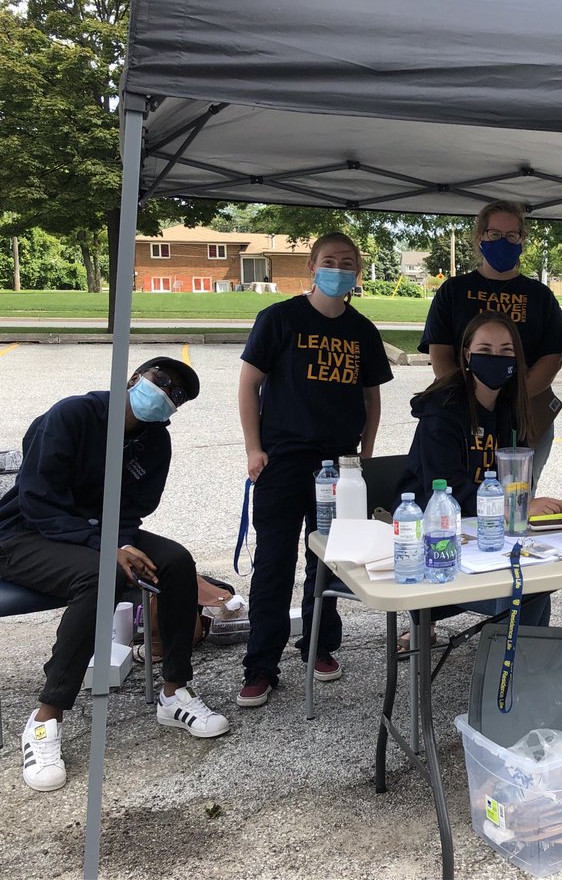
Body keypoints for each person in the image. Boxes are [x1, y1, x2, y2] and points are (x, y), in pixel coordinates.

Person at [0, 357, 229, 792]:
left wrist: (120, 542)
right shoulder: (73, 415)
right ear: (134, 378)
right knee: (98, 575)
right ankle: (46, 717)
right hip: (26, 534)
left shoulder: (155, 442)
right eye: (160, 381)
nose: (165, 394)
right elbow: (37, 501)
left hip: (104, 535)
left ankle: (174, 692)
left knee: (177, 562)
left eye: (176, 395)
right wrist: (109, 547)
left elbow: (135, 508)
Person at [236, 232, 393, 708]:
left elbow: (372, 398)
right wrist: (253, 450)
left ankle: (319, 647)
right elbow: (248, 386)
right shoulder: (279, 319)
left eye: (348, 262)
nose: (338, 268)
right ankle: (261, 665)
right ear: (311, 266)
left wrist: (364, 453)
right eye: (329, 260)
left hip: (338, 467)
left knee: (329, 561)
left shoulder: (362, 330)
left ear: (357, 271)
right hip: (283, 461)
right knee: (274, 565)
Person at [395, 310, 562, 632]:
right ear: (467, 355)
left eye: (506, 351)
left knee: (537, 583)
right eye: (485, 351)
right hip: (435, 546)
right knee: (524, 590)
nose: (496, 358)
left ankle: (520, 668)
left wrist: (523, 508)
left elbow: (516, 481)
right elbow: (443, 494)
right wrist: (519, 507)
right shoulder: (442, 412)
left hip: (485, 537)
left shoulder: (510, 412)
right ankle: (505, 675)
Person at [418, 201, 562, 490]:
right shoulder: (453, 291)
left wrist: (512, 397)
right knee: (465, 490)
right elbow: (440, 352)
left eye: (512, 235)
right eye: (494, 234)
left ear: (522, 241)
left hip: (526, 414)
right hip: (465, 411)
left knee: (519, 494)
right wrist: (472, 396)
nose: (503, 241)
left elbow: (553, 357)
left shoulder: (539, 295)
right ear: (480, 238)